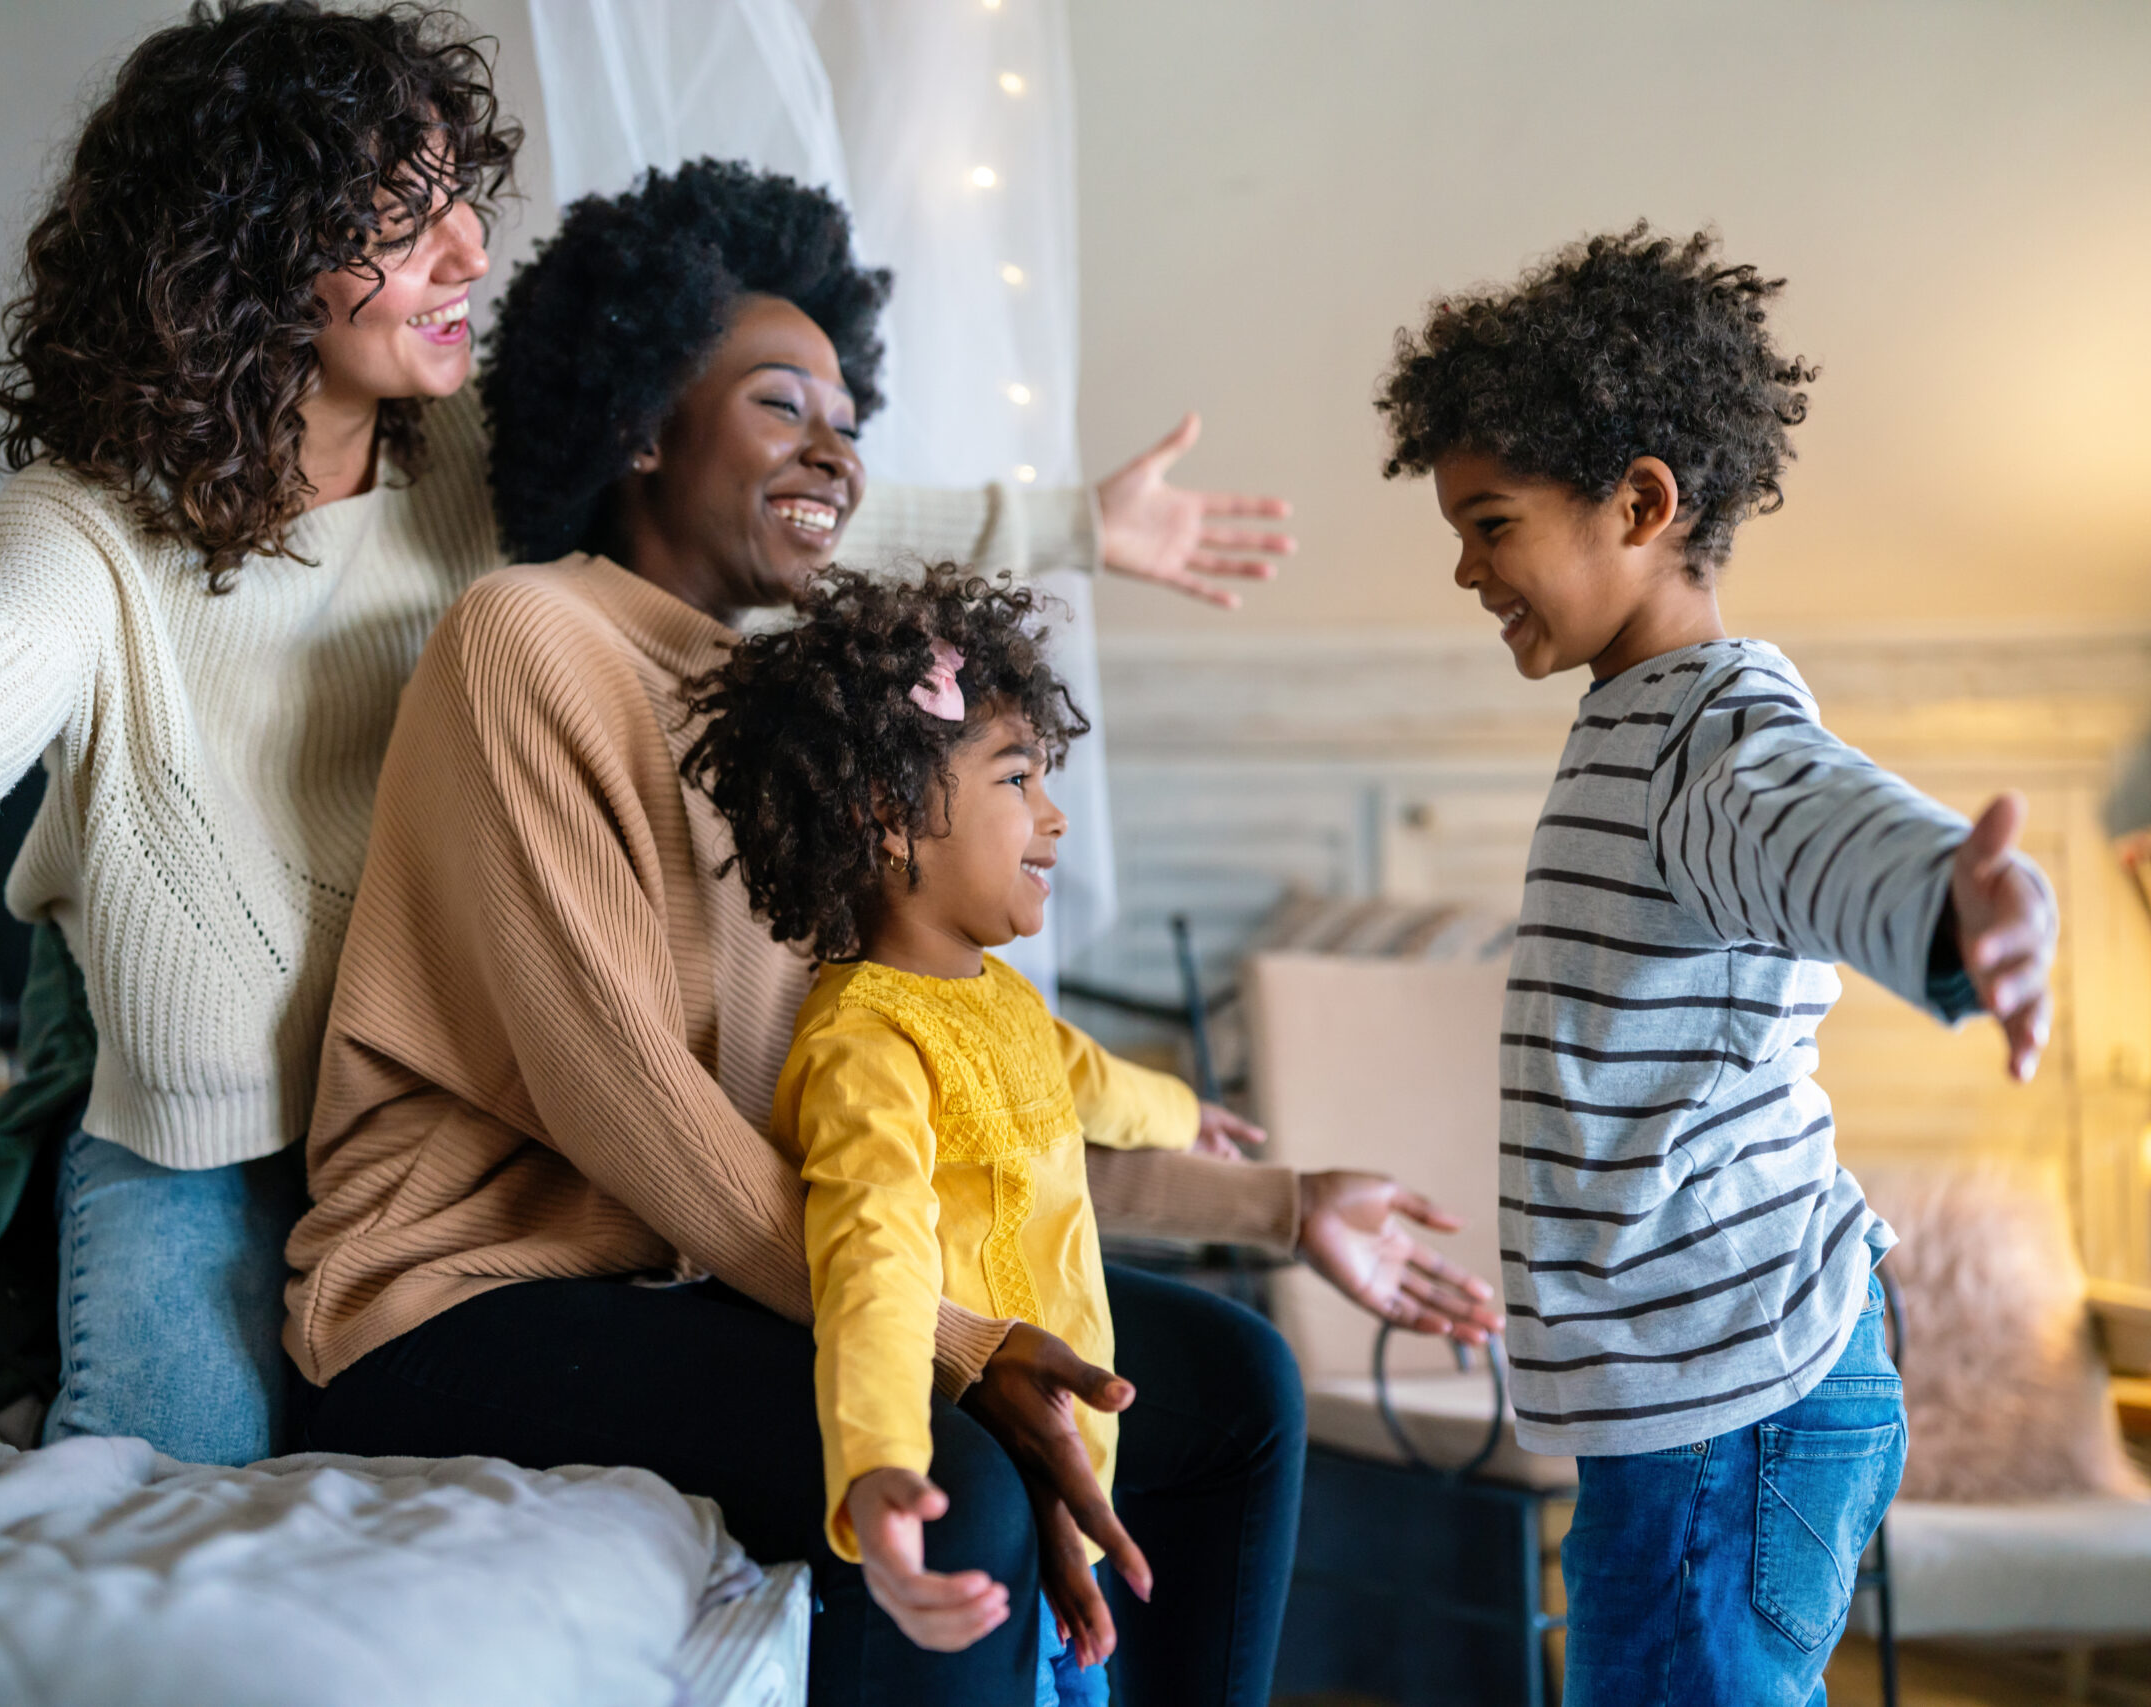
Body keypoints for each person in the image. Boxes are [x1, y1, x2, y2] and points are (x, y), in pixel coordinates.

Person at [0, 4, 1298, 1464]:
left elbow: (762, 491)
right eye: (406, 222)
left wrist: (1068, 519)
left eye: (458, 205)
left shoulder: (477, 450)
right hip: (212, 1145)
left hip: (447, 1131)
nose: (472, 251)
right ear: (247, 255)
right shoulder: (89, 527)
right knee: (174, 1507)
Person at [286, 157, 1502, 1707]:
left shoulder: (796, 728)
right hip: (461, 1302)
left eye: (852, 419)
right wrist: (951, 1337)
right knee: (960, 1471)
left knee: (1233, 1381)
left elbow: (928, 1111)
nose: (836, 450)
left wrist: (1280, 1205)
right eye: (785, 404)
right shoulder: (526, 639)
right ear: (644, 422)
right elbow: (630, 1109)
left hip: (706, 1277)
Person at [1375, 224, 2060, 1707]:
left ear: (1641, 501)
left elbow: (1814, 820)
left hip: (1729, 1397)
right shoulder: (1633, 711)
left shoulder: (1712, 724)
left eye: (1490, 521)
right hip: (1693, 1398)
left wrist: (1953, 896)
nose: (1462, 565)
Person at [679, 563, 1281, 1702]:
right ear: (890, 820)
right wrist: (878, 1469)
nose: (1054, 815)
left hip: (1072, 1502)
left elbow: (1086, 1079)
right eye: (1017, 776)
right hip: (990, 1507)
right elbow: (870, 1266)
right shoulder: (863, 1043)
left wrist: (1183, 1114)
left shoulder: (999, 998)